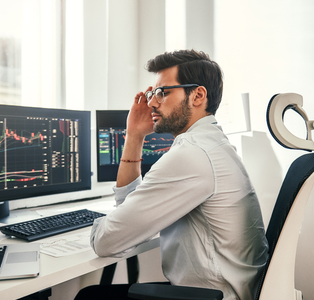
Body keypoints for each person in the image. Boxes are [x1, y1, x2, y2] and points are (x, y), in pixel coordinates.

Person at [75, 50, 268, 300]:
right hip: (223, 291)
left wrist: (107, 226)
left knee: (90, 297)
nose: (152, 103)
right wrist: (134, 136)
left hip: (211, 296)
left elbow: (106, 241)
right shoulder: (212, 144)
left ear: (198, 95)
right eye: (153, 93)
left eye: (163, 93)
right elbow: (129, 212)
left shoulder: (193, 155)